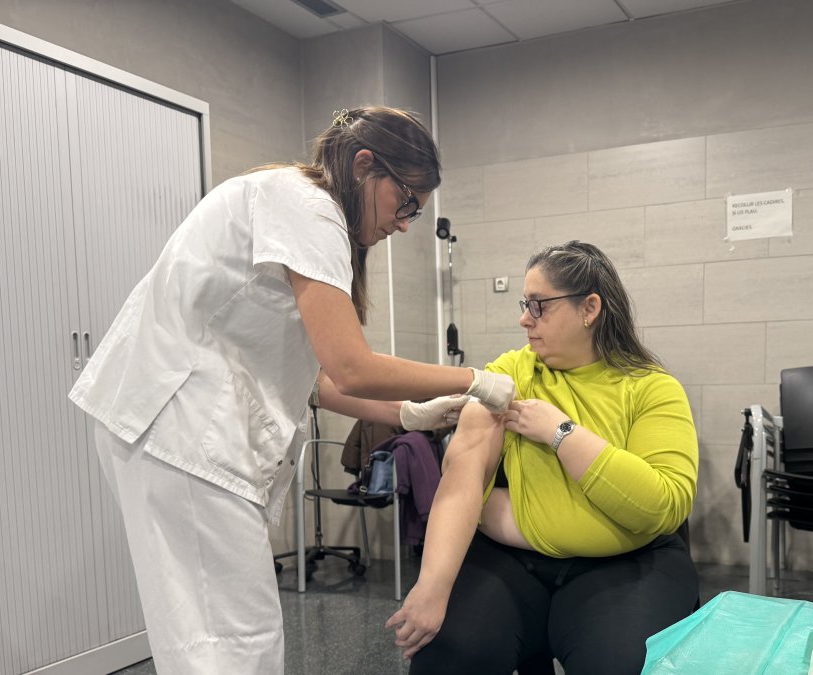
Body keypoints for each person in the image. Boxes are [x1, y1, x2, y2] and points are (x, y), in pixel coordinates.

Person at [67, 105, 513, 675]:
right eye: (406, 202)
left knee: (214, 635)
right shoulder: (307, 208)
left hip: (175, 429)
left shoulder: (293, 205)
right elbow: (351, 365)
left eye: (416, 212)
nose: (404, 223)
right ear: (364, 165)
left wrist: (407, 413)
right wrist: (474, 379)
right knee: (229, 641)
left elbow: (320, 380)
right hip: (180, 430)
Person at [387, 241, 700, 675]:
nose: (523, 319)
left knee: (621, 665)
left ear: (589, 308)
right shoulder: (511, 373)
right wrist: (432, 586)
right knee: (448, 655)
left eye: (538, 306)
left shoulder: (651, 387)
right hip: (511, 562)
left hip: (626, 565)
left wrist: (561, 433)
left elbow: (661, 506)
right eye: (524, 304)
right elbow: (465, 471)